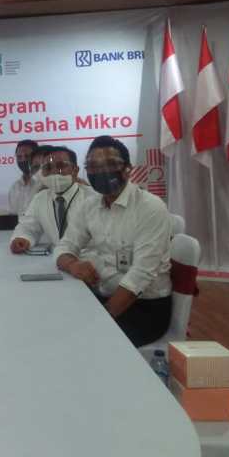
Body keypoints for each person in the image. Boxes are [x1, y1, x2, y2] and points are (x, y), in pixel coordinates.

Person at [54, 136, 172, 347]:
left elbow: (140, 275)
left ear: (127, 169)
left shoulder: (150, 207)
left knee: (79, 342)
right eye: (93, 166)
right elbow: (65, 246)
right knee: (55, 324)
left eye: (110, 164)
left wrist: (102, 320)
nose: (101, 172)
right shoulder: (89, 206)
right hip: (102, 295)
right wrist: (73, 264)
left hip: (144, 307)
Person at [10, 146, 96, 253]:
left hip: (93, 257)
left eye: (61, 166)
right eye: (48, 168)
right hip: (58, 257)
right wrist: (22, 238)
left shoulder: (94, 197)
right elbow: (28, 227)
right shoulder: (39, 199)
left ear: (75, 170)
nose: (54, 171)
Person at [8, 140, 41, 215]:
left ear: (37, 157)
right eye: (19, 157)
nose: (23, 160)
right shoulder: (14, 188)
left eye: (27, 156)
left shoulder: (45, 183)